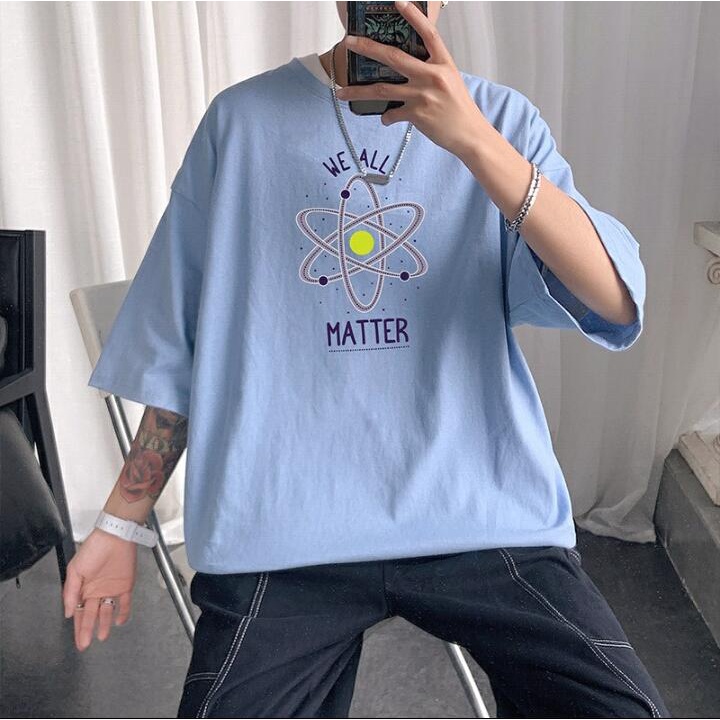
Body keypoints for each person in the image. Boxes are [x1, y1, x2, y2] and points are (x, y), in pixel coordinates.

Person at [63, 1, 671, 717]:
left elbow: (615, 299)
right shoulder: (241, 123)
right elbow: (185, 342)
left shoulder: (501, 120)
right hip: (285, 528)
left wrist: (476, 142)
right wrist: (120, 521)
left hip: (479, 514)